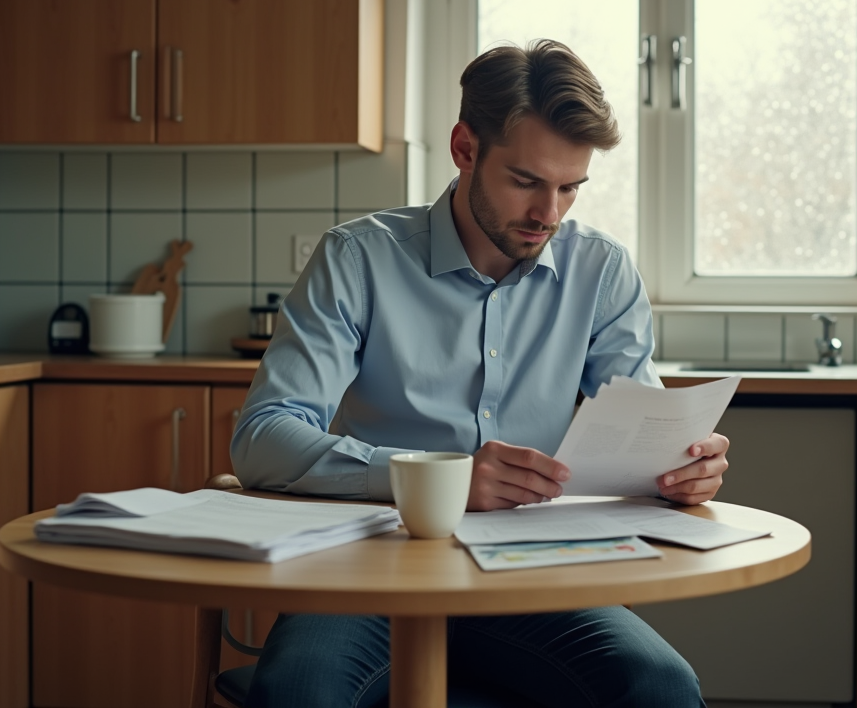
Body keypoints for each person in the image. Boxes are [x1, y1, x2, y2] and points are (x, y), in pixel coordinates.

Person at [233, 39, 729, 708]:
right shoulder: (358, 259)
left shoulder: (601, 273)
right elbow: (263, 438)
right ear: (465, 149)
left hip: (536, 579)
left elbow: (638, 438)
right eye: (526, 181)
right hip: (369, 572)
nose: (548, 214)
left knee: (660, 688)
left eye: (569, 188)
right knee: (298, 692)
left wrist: (679, 471)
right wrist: (435, 479)